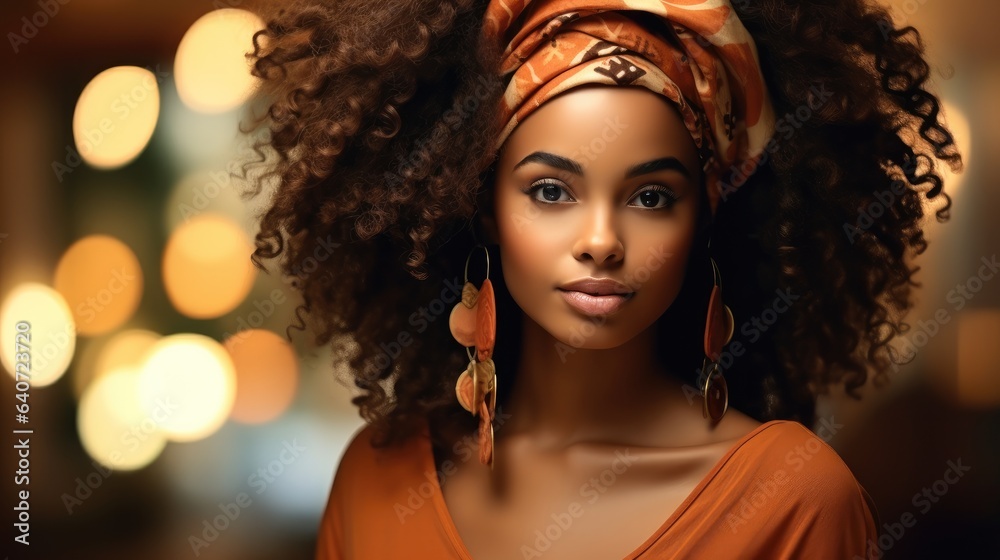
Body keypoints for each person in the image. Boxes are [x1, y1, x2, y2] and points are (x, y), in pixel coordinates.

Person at [241, 0, 961, 558]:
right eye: (551, 191)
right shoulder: (376, 481)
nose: (601, 242)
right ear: (484, 208)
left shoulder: (795, 502)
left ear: (703, 220)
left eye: (651, 197)